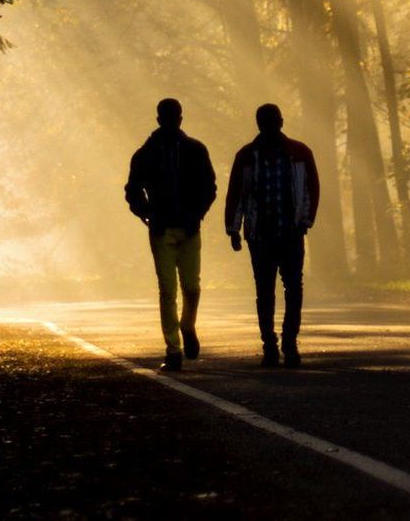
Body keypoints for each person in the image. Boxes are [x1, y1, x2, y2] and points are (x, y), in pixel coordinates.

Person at [224, 101, 322, 366]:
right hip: (260, 234)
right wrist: (233, 229)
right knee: (266, 290)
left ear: (281, 122)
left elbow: (312, 188)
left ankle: (289, 343)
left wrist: (305, 221)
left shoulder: (299, 153)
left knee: (292, 288)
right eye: (264, 122)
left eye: (273, 121)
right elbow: (236, 193)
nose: (269, 126)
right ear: (259, 124)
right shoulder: (246, 156)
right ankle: (270, 344)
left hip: (291, 232)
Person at [123, 97, 217, 370]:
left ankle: (187, 326)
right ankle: (173, 349)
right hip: (162, 229)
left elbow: (209, 186)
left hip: (188, 228)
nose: (172, 121)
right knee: (167, 290)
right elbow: (132, 189)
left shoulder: (195, 150)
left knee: (192, 287)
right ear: (161, 120)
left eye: (174, 117)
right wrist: (147, 214)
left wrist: (197, 214)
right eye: (168, 117)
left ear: (179, 118)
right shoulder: (146, 153)